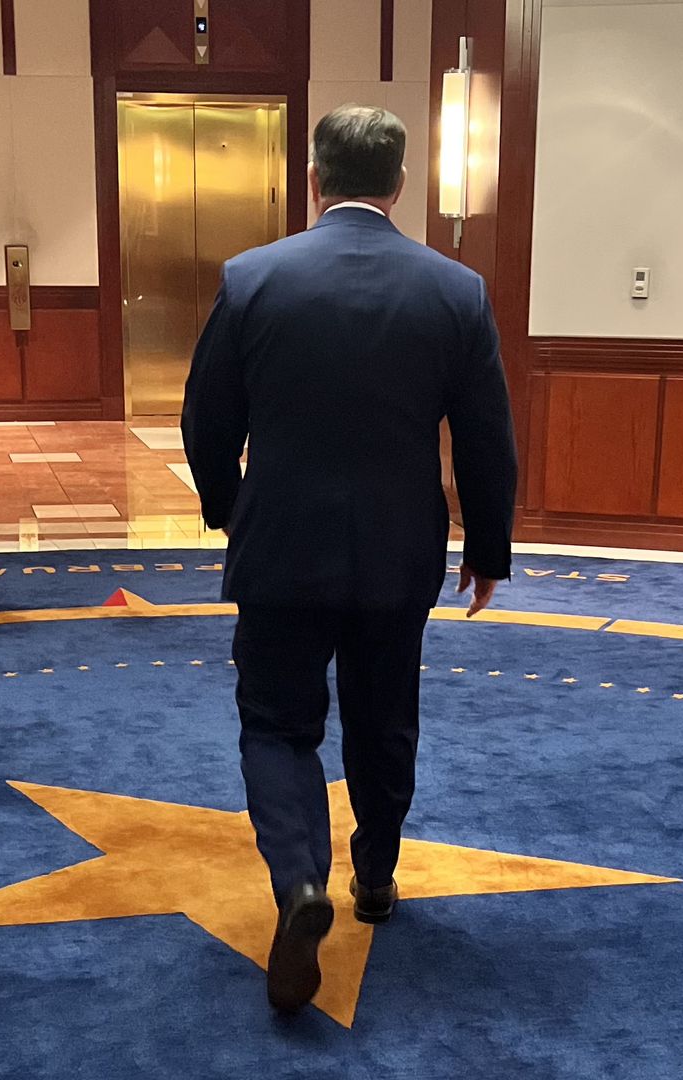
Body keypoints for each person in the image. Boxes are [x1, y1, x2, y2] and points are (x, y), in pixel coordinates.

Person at [182, 103, 518, 1015]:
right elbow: (486, 437)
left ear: (314, 178)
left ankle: (299, 882)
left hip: (281, 544)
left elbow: (206, 420)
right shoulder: (457, 291)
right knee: (383, 714)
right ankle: (374, 878)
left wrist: (228, 506)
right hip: (397, 547)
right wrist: (488, 549)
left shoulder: (253, 279)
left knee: (277, 724)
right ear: (401, 182)